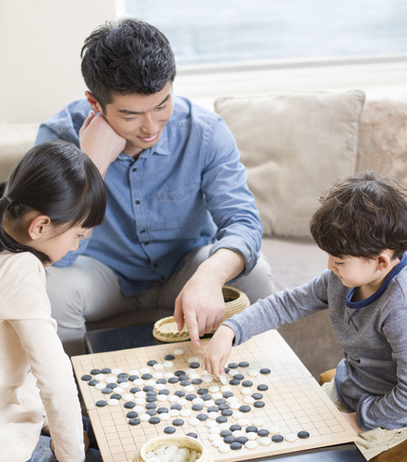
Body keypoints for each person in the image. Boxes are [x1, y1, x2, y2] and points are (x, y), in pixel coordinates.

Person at [35, 18, 273, 356]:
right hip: (102, 275)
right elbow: (50, 254)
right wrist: (91, 167)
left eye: (162, 105)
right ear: (94, 103)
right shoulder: (59, 137)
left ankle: (255, 385)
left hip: (184, 269)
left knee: (256, 273)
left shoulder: (204, 131)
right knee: (49, 288)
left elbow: (243, 222)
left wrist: (209, 276)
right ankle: (77, 402)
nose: (150, 127)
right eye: (131, 115)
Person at [203, 172, 407, 461]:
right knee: (273, 440)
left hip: (384, 417)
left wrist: (357, 421)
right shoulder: (341, 279)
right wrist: (232, 328)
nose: (330, 266)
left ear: (380, 261)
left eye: (339, 261)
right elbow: (288, 303)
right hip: (345, 391)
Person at [0, 140, 142, 462]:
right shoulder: (21, 270)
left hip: (8, 413)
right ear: (40, 226)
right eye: (78, 235)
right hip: (5, 455)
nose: (79, 245)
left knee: (100, 439)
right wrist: (72, 453)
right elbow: (54, 373)